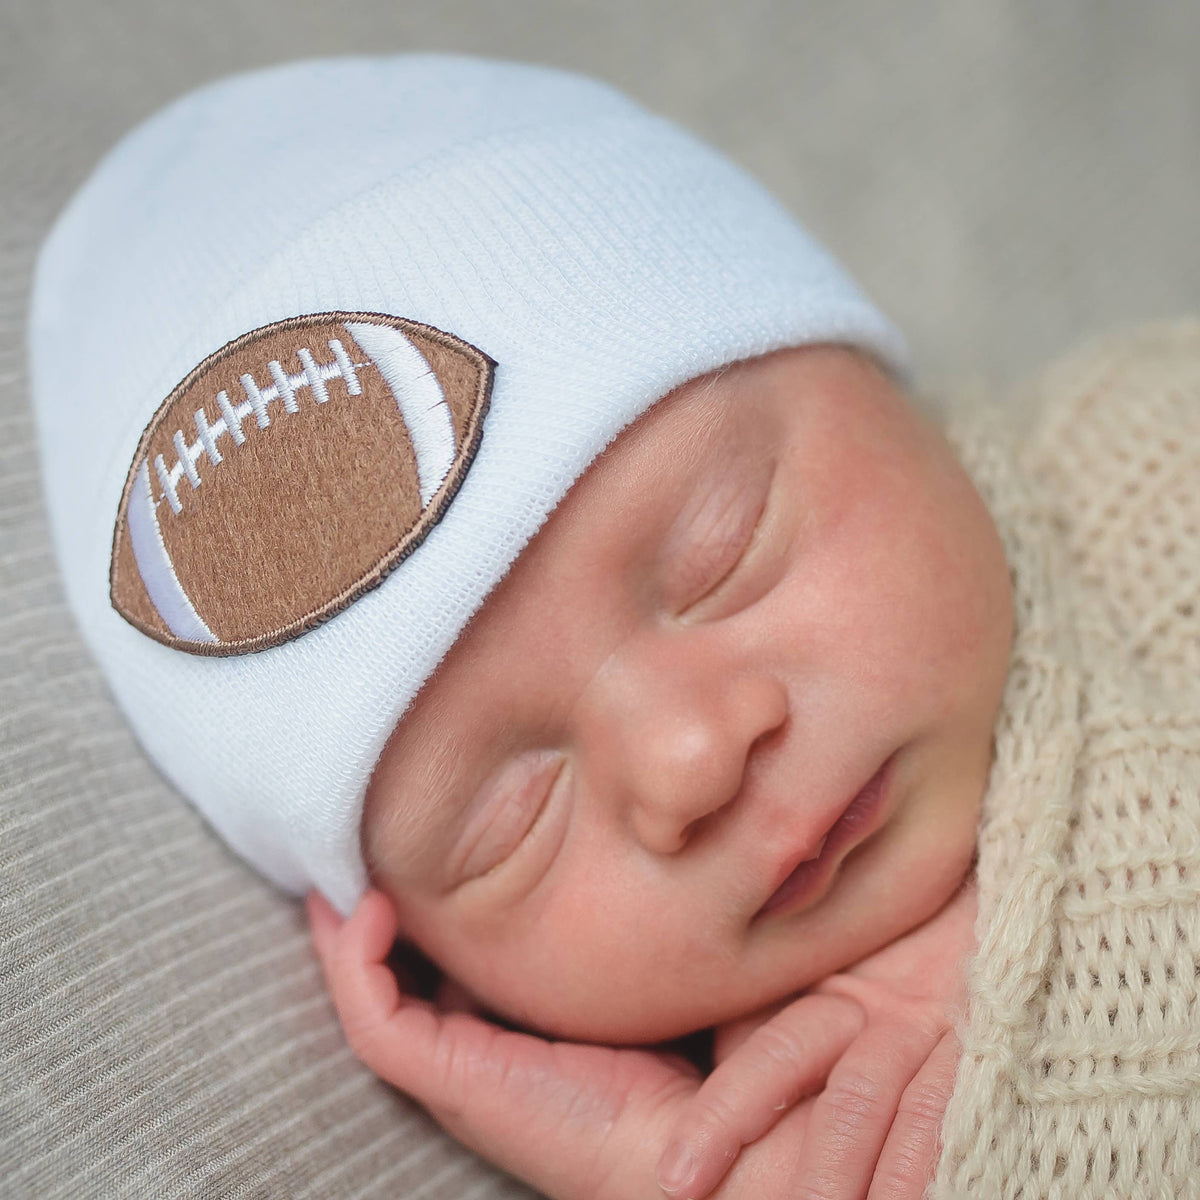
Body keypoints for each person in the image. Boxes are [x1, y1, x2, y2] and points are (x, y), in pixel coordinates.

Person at [29, 53, 1200, 1200]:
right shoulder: (747, 1124)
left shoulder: (1160, 457)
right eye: (513, 819)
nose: (691, 758)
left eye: (723, 554)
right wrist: (689, 1171)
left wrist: (1064, 970)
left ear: (874, 380)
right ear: (439, 967)